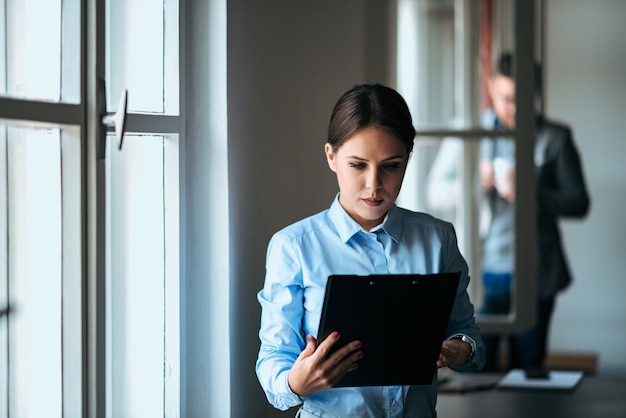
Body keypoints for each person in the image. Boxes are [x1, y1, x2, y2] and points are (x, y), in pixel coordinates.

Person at [256, 83, 485, 418]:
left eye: (391, 165)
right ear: (331, 157)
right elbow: (273, 359)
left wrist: (456, 350)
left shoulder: (439, 239)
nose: (374, 184)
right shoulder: (293, 247)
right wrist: (296, 383)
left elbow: (469, 335)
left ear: (408, 159)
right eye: (358, 165)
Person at [427, 52, 590, 371]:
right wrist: (473, 184)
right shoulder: (470, 132)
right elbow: (434, 193)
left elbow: (578, 202)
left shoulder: (556, 137)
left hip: (536, 273)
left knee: (527, 369)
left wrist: (531, 193)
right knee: (475, 366)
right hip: (482, 271)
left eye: (524, 98)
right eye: (506, 98)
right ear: (490, 86)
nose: (515, 108)